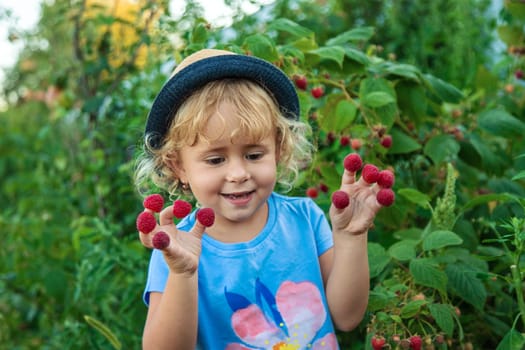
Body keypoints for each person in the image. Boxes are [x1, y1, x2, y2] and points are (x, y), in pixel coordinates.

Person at [134, 48, 387, 349]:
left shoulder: (305, 220)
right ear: (179, 166)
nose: (239, 173)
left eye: (254, 155)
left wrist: (349, 237)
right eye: (215, 160)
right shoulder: (177, 248)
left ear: (278, 149)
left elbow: (347, 317)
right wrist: (183, 274)